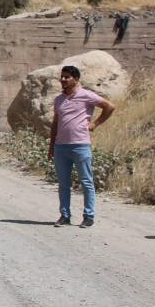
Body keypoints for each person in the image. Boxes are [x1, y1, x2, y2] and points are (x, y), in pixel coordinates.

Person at [46, 64, 115, 228]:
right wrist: (51, 146)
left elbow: (110, 107)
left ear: (76, 79)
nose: (63, 80)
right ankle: (64, 215)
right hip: (61, 147)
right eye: (61, 77)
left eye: (67, 77)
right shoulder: (59, 100)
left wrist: (95, 123)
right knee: (63, 184)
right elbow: (56, 123)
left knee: (86, 181)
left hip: (80, 145)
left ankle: (89, 216)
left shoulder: (86, 95)